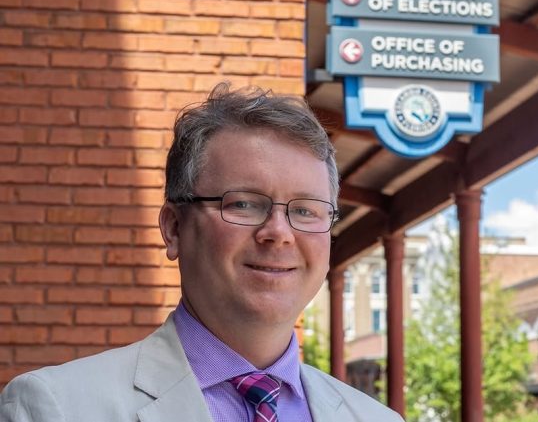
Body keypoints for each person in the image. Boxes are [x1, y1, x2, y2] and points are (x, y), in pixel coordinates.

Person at [0, 83, 404, 422]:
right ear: (174, 228)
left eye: (305, 210)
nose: (279, 233)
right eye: (243, 204)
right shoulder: (57, 407)